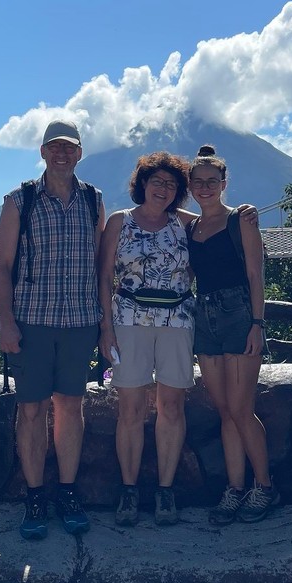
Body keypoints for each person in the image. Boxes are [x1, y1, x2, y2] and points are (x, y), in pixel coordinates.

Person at [0, 119, 104, 540]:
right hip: (32, 322)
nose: (62, 153)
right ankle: (35, 496)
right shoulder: (19, 200)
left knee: (71, 408)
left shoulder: (94, 201)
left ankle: (68, 493)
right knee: (32, 411)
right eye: (54, 147)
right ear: (42, 152)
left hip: (79, 322)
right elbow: (2, 268)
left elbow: (100, 268)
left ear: (79, 153)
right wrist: (6, 322)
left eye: (69, 147)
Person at [98, 152, 195, 527]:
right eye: (157, 181)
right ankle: (129, 489)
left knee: (172, 408)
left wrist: (245, 213)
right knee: (131, 410)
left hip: (177, 320)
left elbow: (223, 219)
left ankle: (166, 492)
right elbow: (104, 276)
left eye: (171, 184)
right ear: (142, 183)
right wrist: (105, 329)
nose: (164, 189)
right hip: (128, 320)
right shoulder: (119, 222)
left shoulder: (186, 223)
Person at [186, 144, 280, 524]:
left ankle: (265, 486)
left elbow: (256, 275)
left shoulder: (240, 220)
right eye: (198, 182)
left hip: (239, 313)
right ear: (190, 186)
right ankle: (235, 488)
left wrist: (257, 324)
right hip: (203, 315)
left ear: (225, 184)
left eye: (213, 181)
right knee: (225, 410)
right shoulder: (190, 225)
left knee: (242, 410)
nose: (206, 188)